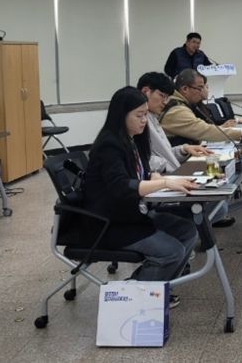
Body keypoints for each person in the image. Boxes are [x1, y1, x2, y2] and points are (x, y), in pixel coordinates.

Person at [82, 86, 199, 305]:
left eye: (146, 114)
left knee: (188, 230)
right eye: (139, 115)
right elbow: (121, 186)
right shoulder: (109, 145)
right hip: (110, 223)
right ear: (121, 115)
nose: (144, 120)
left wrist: (160, 178)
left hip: (132, 215)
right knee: (172, 251)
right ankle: (135, 295)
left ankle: (157, 288)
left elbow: (140, 175)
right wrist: (164, 182)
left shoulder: (132, 140)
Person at [137, 72, 237, 228]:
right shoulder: (140, 123)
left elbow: (164, 153)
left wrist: (184, 149)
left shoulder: (152, 117)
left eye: (167, 97)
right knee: (217, 205)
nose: (165, 102)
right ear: (146, 92)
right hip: (162, 184)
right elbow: (142, 162)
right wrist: (169, 169)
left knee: (219, 190)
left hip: (171, 176)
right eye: (162, 96)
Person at [160, 69, 242, 145]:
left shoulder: (185, 104)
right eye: (200, 88)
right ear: (185, 89)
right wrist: (239, 134)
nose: (203, 91)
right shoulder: (177, 110)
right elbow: (203, 130)